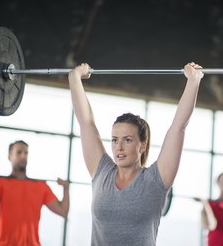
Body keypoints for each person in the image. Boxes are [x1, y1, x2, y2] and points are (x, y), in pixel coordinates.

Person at [68, 62, 203, 245]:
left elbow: (178, 127)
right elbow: (86, 123)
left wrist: (193, 81)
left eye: (128, 140)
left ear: (142, 145)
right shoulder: (102, 173)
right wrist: (75, 77)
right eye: (115, 140)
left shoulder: (156, 179)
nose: (119, 147)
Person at [0, 140, 69, 246]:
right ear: (10, 156)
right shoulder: (0, 183)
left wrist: (66, 189)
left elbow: (63, 211)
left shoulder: (41, 186)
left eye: (26, 153)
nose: (23, 156)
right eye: (19, 152)